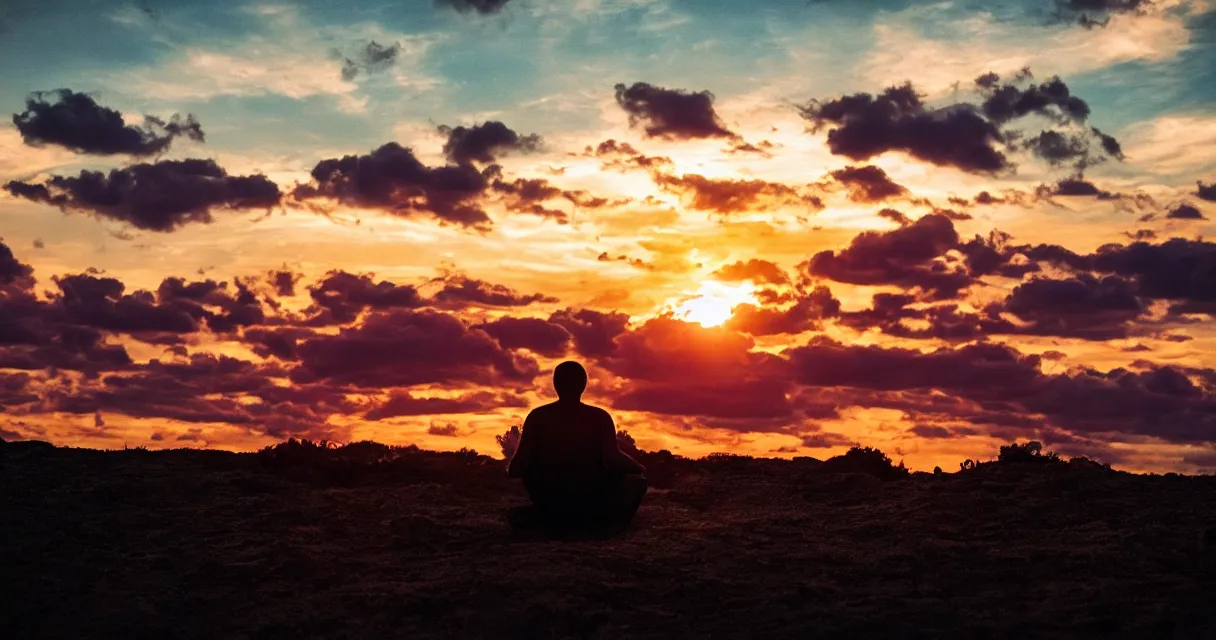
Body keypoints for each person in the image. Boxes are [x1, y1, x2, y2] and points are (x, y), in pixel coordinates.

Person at [508, 361, 647, 529]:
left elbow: (516, 468)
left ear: (555, 384)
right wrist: (639, 467)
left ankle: (548, 518)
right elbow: (612, 459)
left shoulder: (537, 417)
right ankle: (608, 524)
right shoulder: (599, 417)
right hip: (589, 501)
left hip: (549, 502)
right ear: (584, 384)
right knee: (638, 483)